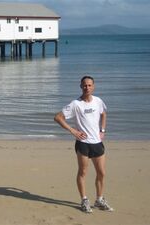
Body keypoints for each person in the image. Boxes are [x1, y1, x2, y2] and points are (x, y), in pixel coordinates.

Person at [54, 75, 114, 213]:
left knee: (102, 173)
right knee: (83, 172)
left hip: (97, 143)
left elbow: (104, 114)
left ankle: (99, 200)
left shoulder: (98, 101)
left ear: (94, 86)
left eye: (89, 85)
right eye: (84, 85)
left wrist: (102, 130)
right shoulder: (76, 104)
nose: (87, 87)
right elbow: (58, 117)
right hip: (83, 144)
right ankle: (84, 200)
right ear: (81, 86)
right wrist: (73, 131)